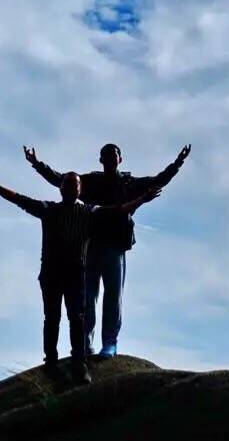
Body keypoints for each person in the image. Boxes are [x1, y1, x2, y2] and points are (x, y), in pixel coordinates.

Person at [0, 168, 161, 385]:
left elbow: (118, 210)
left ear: (80, 190)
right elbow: (19, 199)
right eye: (68, 184)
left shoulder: (90, 212)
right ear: (61, 188)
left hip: (75, 273)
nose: (71, 188)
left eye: (75, 185)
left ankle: (79, 363)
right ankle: (51, 363)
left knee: (77, 318)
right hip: (52, 273)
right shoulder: (48, 209)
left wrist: (142, 200)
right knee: (52, 318)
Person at [22, 143, 190, 359]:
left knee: (113, 297)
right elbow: (61, 179)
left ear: (120, 159)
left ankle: (110, 343)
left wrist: (177, 163)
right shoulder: (90, 182)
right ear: (100, 160)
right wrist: (37, 164)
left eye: (114, 156)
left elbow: (157, 180)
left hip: (116, 246)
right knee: (87, 299)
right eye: (106, 156)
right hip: (90, 246)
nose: (110, 159)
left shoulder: (128, 183)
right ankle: (85, 343)